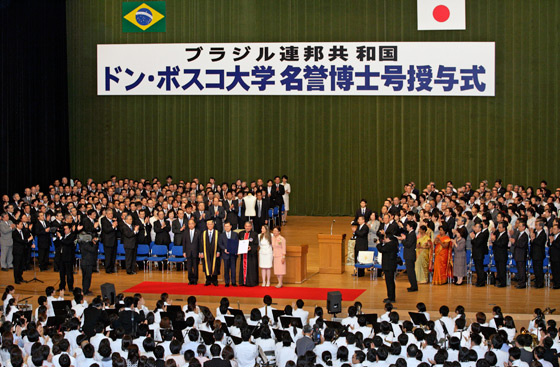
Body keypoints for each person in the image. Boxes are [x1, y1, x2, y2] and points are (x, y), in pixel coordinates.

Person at [377, 213, 399, 303]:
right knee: (389, 282)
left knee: (390, 282)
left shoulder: (390, 244)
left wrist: (378, 244)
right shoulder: (392, 243)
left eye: (385, 238)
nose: (384, 239)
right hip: (389, 265)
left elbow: (382, 249)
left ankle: (391, 297)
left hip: (389, 266)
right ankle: (390, 296)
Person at [57, 224, 79, 291]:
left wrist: (60, 237)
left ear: (70, 229)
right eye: (64, 229)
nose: (65, 230)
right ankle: (62, 287)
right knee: (62, 274)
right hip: (61, 257)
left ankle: (70, 287)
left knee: (69, 273)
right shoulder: (63, 236)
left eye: (66, 229)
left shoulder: (72, 236)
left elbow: (67, 243)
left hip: (69, 257)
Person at [79, 224, 99, 296]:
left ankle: (85, 289)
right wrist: (94, 244)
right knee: (87, 278)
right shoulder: (86, 245)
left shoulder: (82, 244)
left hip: (85, 262)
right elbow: (93, 250)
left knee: (85, 277)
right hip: (87, 263)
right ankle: (85, 290)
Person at [238, 221, 259, 287]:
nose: (247, 227)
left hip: (251, 255)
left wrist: (251, 248)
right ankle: (243, 282)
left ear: (251, 227)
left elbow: (256, 244)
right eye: (246, 226)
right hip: (243, 255)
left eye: (249, 226)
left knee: (251, 269)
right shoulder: (241, 233)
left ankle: (251, 282)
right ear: (244, 227)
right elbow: (238, 243)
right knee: (243, 267)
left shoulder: (254, 234)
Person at [399, 221, 418, 292]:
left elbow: (408, 244)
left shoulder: (412, 234)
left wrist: (403, 239)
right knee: (410, 271)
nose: (406, 226)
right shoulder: (410, 234)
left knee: (410, 271)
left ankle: (414, 286)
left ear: (411, 227)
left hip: (410, 255)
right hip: (409, 255)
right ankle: (413, 285)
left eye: (407, 225)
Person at [200, 219, 220, 286]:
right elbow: (201, 243)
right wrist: (201, 252)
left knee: (215, 266)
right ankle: (208, 280)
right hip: (206, 252)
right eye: (208, 224)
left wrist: (218, 251)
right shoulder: (203, 233)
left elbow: (219, 243)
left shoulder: (217, 233)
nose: (210, 225)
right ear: (206, 225)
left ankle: (214, 280)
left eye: (211, 224)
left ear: (213, 225)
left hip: (215, 252)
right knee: (206, 266)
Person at [218, 221, 238, 287]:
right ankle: (227, 282)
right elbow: (220, 244)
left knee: (233, 269)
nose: (227, 227)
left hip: (233, 254)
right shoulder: (221, 235)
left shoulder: (235, 234)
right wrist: (224, 249)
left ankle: (233, 282)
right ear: (224, 227)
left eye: (228, 226)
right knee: (226, 269)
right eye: (225, 226)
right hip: (225, 254)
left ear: (231, 226)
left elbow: (237, 243)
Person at [182, 219, 202, 285]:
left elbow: (200, 243)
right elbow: (184, 243)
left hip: (196, 252)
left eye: (192, 223)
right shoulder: (185, 232)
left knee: (196, 267)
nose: (191, 225)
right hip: (188, 252)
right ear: (188, 225)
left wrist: (200, 252)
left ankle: (195, 280)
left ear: (194, 224)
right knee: (189, 267)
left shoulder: (198, 232)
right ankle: (190, 280)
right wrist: (184, 251)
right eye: (189, 224)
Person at [470, 222, 488, 287]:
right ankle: (478, 281)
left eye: (477, 227)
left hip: (479, 254)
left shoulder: (481, 235)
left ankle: (481, 282)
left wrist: (473, 238)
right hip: (476, 254)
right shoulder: (476, 234)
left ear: (480, 228)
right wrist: (473, 239)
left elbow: (477, 244)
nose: (475, 228)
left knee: (480, 269)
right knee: (477, 269)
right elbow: (473, 243)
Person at [511, 221, 529, 289]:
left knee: (522, 269)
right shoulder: (519, 234)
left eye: (520, 226)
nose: (518, 227)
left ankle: (523, 283)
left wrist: (514, 242)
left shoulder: (525, 235)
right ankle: (520, 282)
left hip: (521, 254)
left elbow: (522, 245)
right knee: (519, 269)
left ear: (524, 227)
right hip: (518, 254)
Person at [530, 220, 547, 288]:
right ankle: (537, 282)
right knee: (535, 269)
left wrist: (534, 239)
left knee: (539, 269)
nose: (535, 226)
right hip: (534, 253)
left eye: (537, 225)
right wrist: (532, 239)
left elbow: (540, 243)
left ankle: (540, 283)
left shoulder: (543, 234)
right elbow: (532, 242)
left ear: (540, 226)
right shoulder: (535, 233)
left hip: (539, 254)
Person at [491, 222, 509, 288]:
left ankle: (503, 283)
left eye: (500, 227)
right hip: (497, 254)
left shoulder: (505, 235)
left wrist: (494, 241)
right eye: (498, 227)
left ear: (504, 228)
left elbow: (501, 244)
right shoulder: (498, 233)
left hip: (502, 255)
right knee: (498, 269)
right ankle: (499, 281)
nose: (498, 229)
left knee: (502, 270)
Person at [100, 209, 118, 274]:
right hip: (107, 241)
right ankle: (108, 269)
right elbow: (106, 230)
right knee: (108, 256)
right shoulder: (103, 220)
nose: (111, 215)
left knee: (113, 256)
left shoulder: (113, 220)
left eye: (111, 213)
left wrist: (115, 226)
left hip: (114, 241)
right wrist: (113, 226)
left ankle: (112, 268)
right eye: (109, 214)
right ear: (106, 214)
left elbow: (116, 230)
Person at [548, 224, 560, 289]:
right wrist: (550, 242)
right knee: (554, 271)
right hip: (552, 256)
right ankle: (555, 283)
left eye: (555, 229)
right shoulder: (553, 236)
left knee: (557, 271)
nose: (553, 230)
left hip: (558, 257)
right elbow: (549, 244)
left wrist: (553, 241)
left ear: (559, 230)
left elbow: (558, 246)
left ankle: (558, 284)